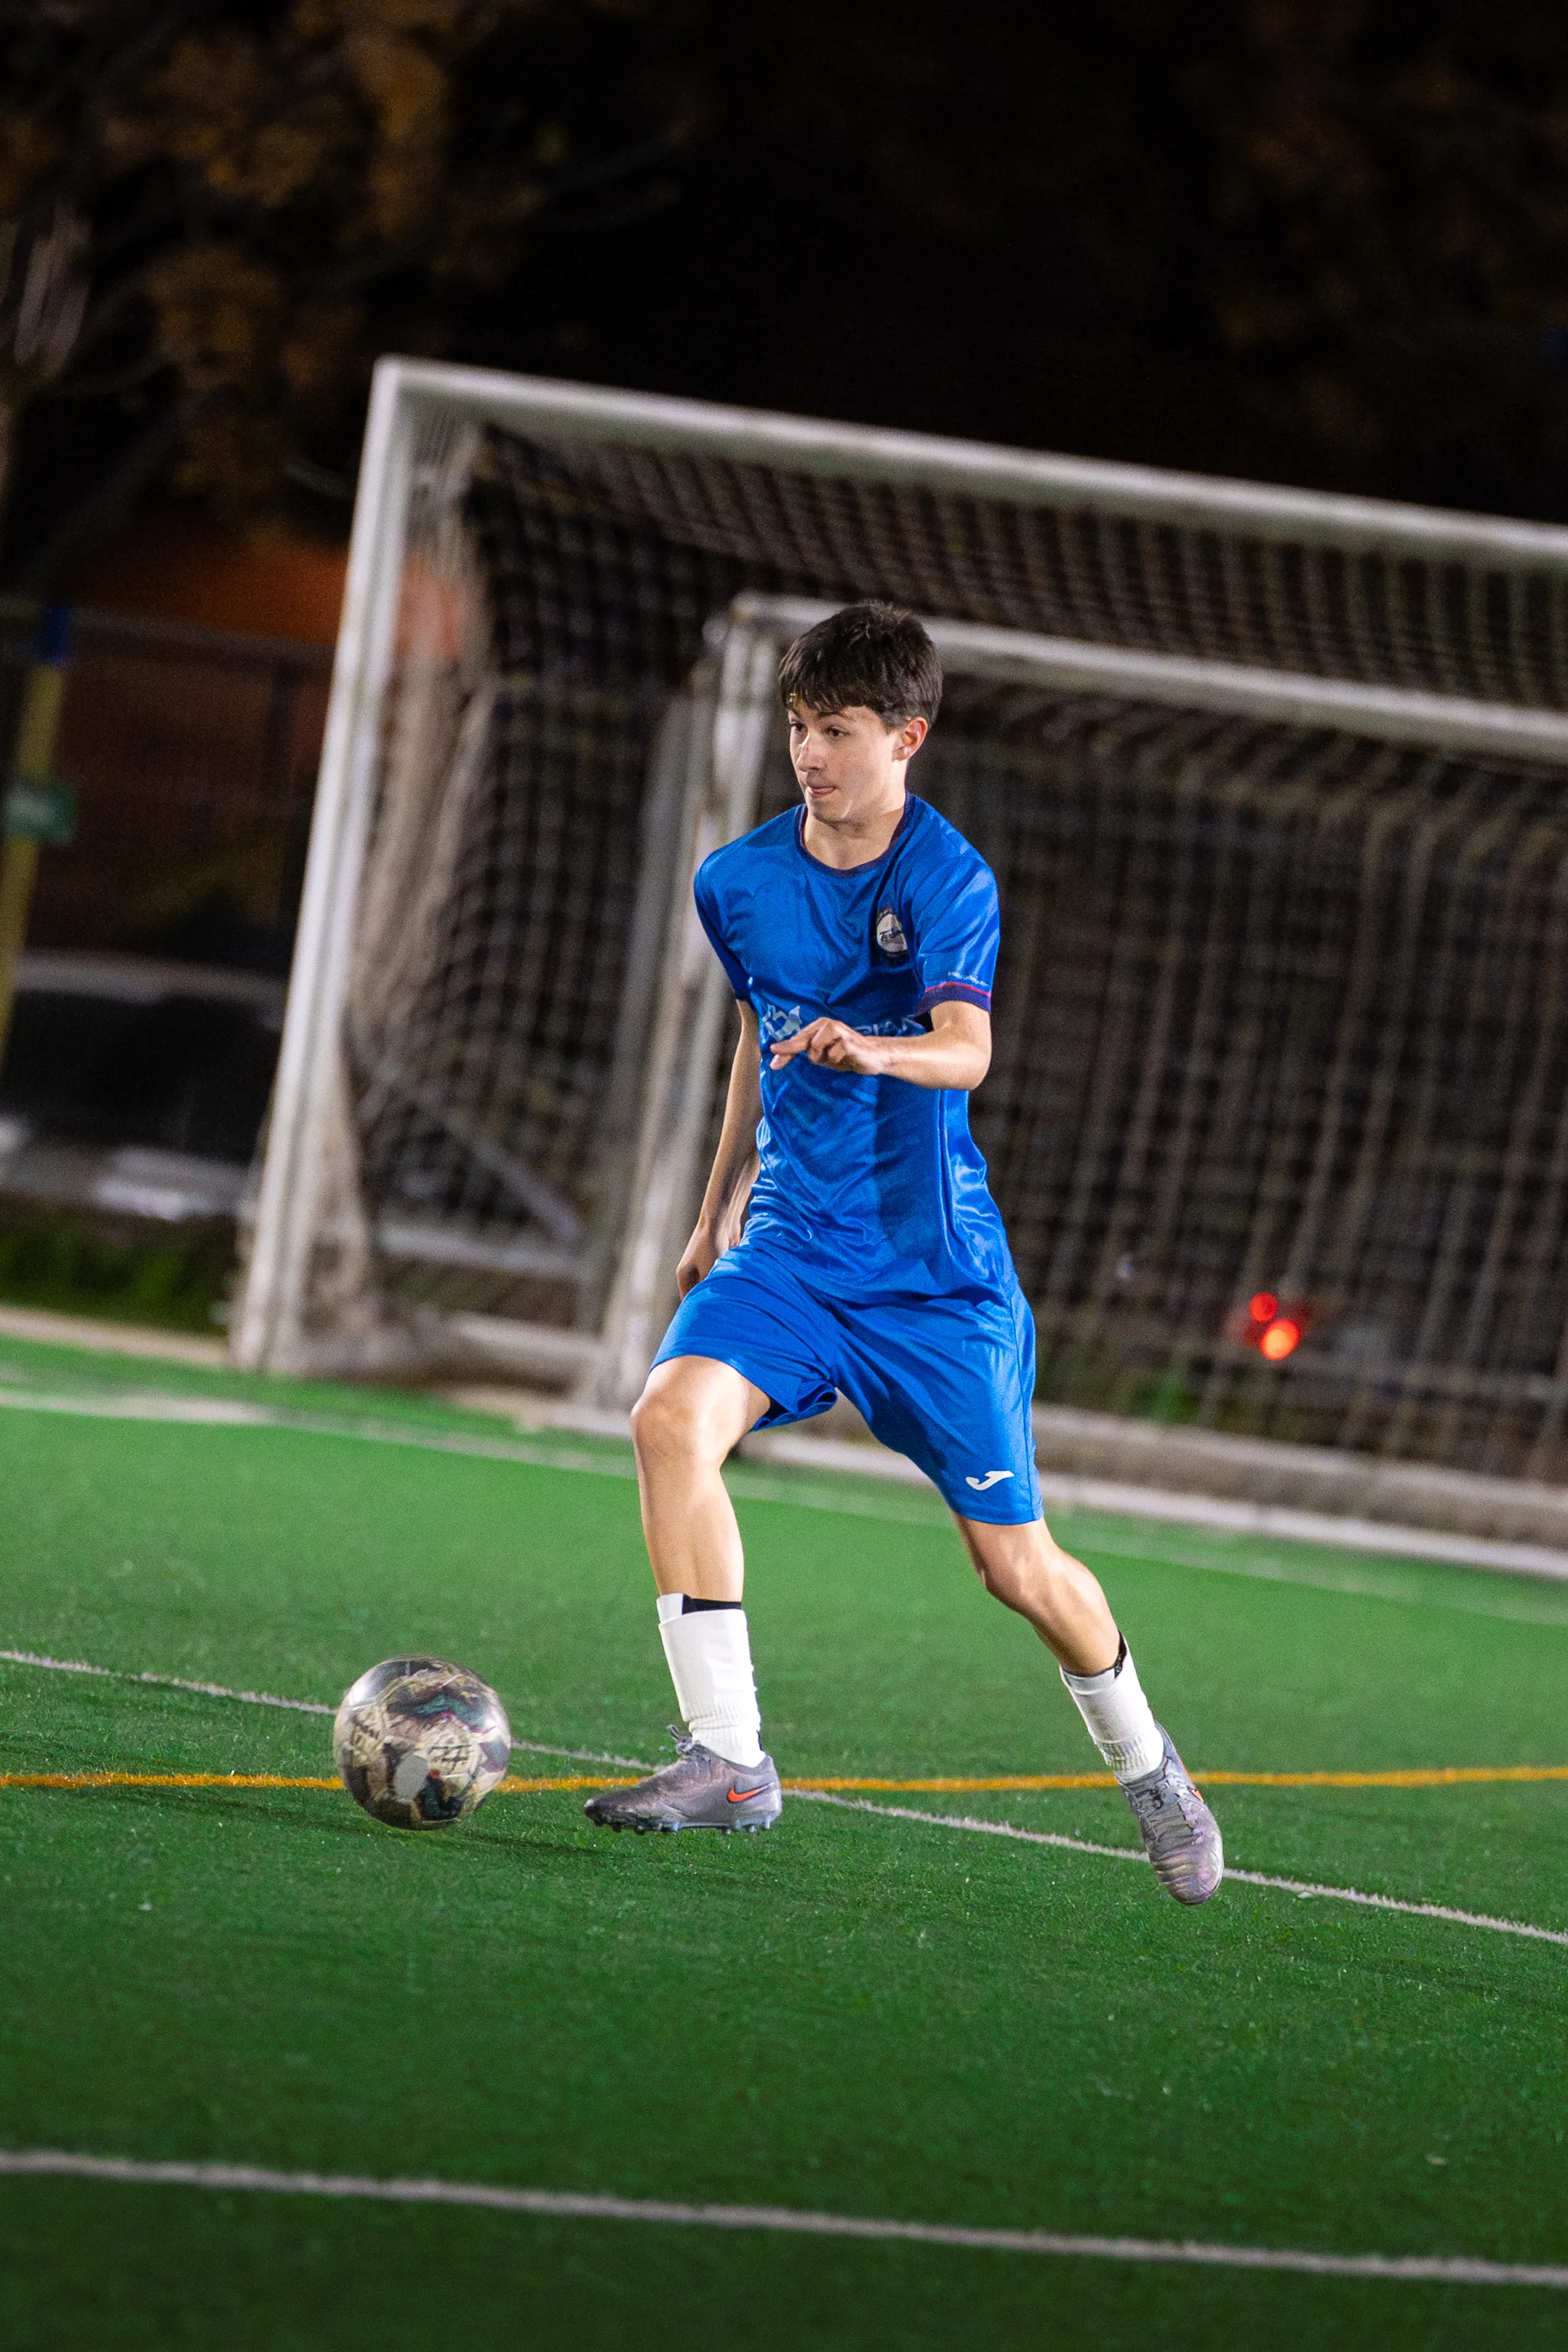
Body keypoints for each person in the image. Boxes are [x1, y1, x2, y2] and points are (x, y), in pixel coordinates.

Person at [586, 602, 1222, 1904]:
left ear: (907, 737)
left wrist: (872, 1048)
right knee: (667, 1421)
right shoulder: (739, 880)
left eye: (838, 731)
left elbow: (965, 1050)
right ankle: (730, 1760)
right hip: (790, 1254)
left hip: (935, 1283)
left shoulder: (946, 878)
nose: (809, 755)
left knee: (1013, 1568)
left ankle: (1148, 1763)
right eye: (798, 727)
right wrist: (714, 1210)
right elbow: (754, 1045)